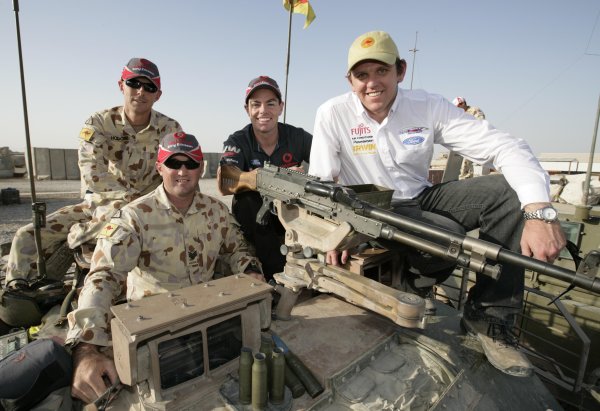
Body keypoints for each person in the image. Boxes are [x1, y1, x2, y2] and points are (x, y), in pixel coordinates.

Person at [308, 30, 566, 378]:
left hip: (421, 196)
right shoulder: (333, 113)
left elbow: (505, 147)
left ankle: (488, 316)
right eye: (362, 75)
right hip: (370, 208)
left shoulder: (427, 106)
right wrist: (333, 235)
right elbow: (323, 182)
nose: (372, 83)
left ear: (400, 71)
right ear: (350, 80)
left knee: (507, 192)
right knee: (448, 236)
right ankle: (411, 286)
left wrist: (539, 212)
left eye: (381, 71)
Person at [65, 132, 264, 404]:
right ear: (160, 167)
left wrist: (251, 271)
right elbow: (103, 276)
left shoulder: (216, 212)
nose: (183, 171)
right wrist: (87, 349)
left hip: (210, 323)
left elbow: (238, 249)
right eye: (174, 163)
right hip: (155, 336)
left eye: (191, 164)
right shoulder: (135, 217)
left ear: (202, 168)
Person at [4, 58, 182, 289]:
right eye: (134, 83)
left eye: (149, 87)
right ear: (121, 85)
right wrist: (123, 200)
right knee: (27, 236)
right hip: (101, 205)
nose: (141, 91)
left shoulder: (170, 129)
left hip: (149, 209)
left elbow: (177, 173)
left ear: (158, 94)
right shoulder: (99, 122)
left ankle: (82, 237)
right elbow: (92, 172)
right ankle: (16, 300)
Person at [218, 76, 312, 281]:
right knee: (247, 200)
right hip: (257, 218)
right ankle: (276, 275)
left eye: (270, 103)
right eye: (256, 104)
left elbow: (328, 163)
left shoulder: (298, 136)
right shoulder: (238, 140)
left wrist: (307, 178)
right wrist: (276, 178)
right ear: (247, 109)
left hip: (292, 212)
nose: (263, 111)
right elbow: (226, 180)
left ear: (281, 107)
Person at [452, 96, 487, 179]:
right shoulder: (460, 114)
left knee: (466, 164)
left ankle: (464, 180)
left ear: (463, 103)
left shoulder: (474, 110)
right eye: (457, 106)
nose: (459, 107)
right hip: (464, 142)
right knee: (463, 165)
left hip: (474, 140)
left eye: (460, 104)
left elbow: (481, 123)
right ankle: (465, 180)